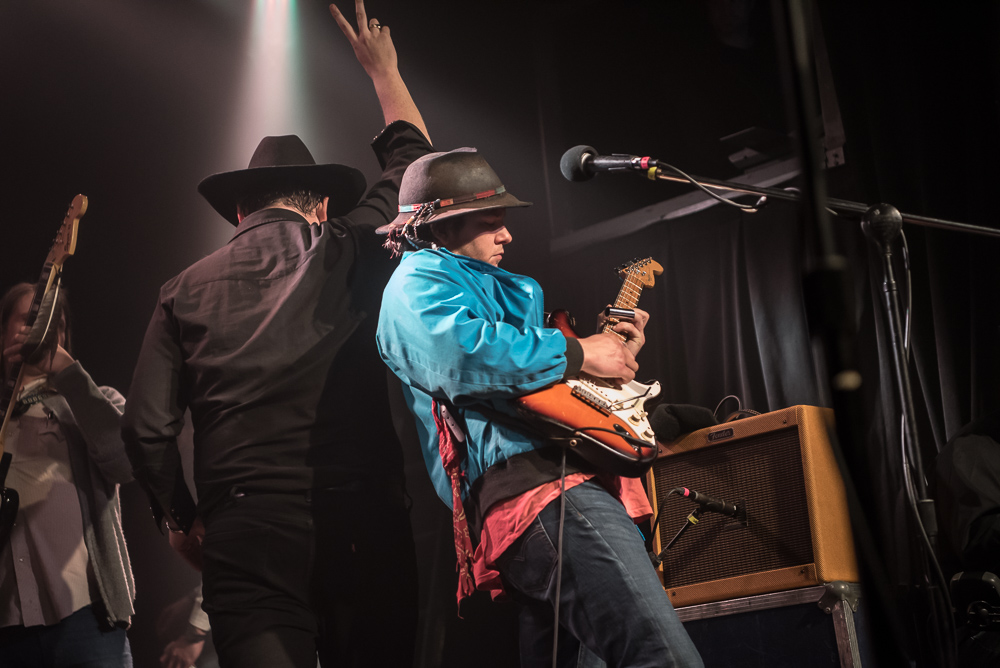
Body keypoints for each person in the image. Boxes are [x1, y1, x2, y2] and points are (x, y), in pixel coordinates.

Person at [121, 1, 433, 666]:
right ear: (321, 206)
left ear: (239, 211)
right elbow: (416, 167)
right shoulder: (349, 244)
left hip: (246, 533)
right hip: (360, 517)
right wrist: (383, 72)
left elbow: (145, 430)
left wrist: (181, 519)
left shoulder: (180, 290)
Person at [375, 148, 703, 667]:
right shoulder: (415, 282)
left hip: (559, 487)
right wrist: (579, 352)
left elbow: (532, 387)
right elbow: (462, 355)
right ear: (441, 226)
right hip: (544, 489)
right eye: (490, 223)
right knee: (665, 659)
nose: (507, 236)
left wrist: (608, 360)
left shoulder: (495, 290)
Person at [0, 282, 135, 667]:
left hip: (88, 620)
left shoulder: (98, 400)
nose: (40, 332)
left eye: (52, 325)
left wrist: (65, 371)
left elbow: (126, 464)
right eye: (29, 320)